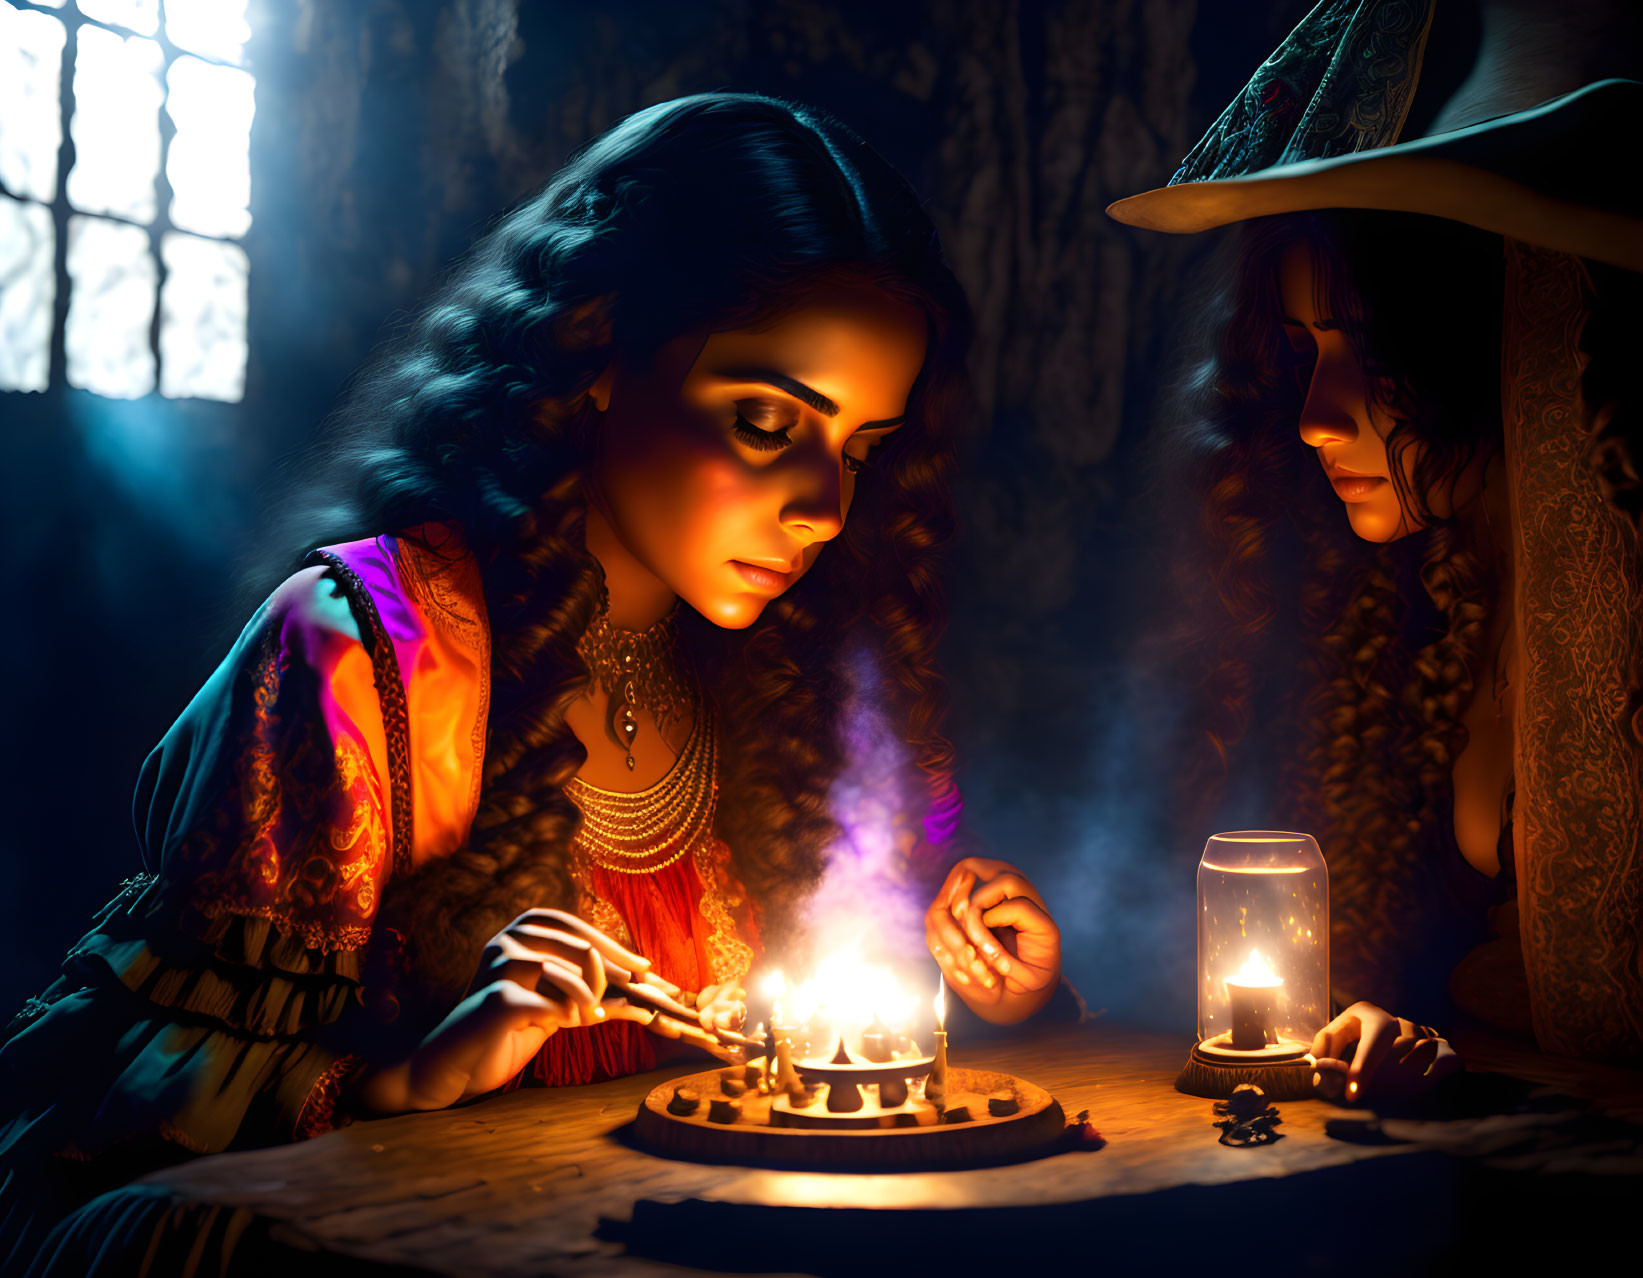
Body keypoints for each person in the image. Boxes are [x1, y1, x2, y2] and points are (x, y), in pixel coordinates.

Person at [0, 92, 1063, 1271]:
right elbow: (143, 1139)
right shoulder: (371, 654)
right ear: (599, 355)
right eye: (766, 422)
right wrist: (411, 1077)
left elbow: (840, 1039)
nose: (822, 505)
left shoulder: (809, 677)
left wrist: (977, 983)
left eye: (859, 447)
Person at [1109, 0, 1643, 1097]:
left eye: (1368, 349)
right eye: (1302, 348)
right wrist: (1385, 1031)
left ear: (1467, 339)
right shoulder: (1409, 615)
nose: (1312, 415)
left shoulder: (1616, 605)